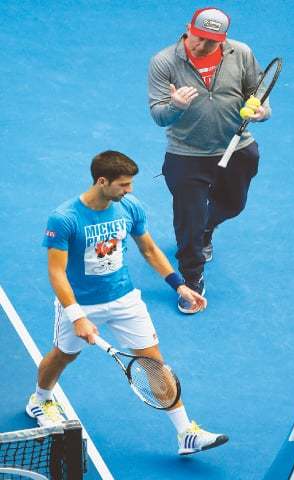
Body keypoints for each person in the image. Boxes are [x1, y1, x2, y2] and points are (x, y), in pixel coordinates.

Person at [28, 151, 228, 455]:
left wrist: (179, 286)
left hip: (124, 300)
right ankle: (40, 399)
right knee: (63, 356)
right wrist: (76, 315)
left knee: (154, 363)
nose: (129, 190)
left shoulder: (128, 207)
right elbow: (56, 271)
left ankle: (186, 433)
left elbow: (148, 249)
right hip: (81, 304)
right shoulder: (65, 218)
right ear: (101, 181)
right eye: (123, 184)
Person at [148, 7, 271, 314]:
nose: (202, 45)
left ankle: (206, 229)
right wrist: (174, 106)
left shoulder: (240, 53)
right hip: (186, 154)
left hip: (237, 147)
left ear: (223, 39)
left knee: (233, 205)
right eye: (199, 37)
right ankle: (191, 280)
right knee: (188, 221)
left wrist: (262, 110)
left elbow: (258, 90)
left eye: (211, 41)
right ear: (188, 28)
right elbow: (158, 115)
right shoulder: (163, 62)